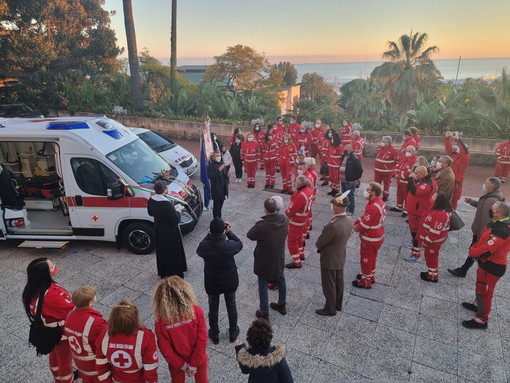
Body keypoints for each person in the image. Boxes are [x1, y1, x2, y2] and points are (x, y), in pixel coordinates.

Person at [22, 258, 75, 383]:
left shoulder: (31, 289)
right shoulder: (51, 296)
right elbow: (71, 311)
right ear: (45, 274)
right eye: (52, 267)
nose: (54, 267)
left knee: (55, 355)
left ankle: (57, 376)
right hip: (61, 334)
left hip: (49, 333)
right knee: (65, 360)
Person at [461, 201, 510, 329]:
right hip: (485, 264)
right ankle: (478, 304)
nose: (490, 211)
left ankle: (481, 319)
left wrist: (472, 251)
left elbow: (488, 249)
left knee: (486, 293)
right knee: (480, 287)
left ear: (499, 214)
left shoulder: (502, 231)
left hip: (493, 267)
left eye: (492, 209)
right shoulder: (498, 223)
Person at [196, 217, 243, 344]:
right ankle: (233, 332)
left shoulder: (205, 246)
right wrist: (229, 232)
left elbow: (198, 249)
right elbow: (240, 244)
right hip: (229, 280)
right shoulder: (230, 245)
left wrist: (208, 235)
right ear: (223, 230)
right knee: (231, 305)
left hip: (212, 282)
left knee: (213, 307)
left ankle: (215, 334)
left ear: (211, 230)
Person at [153, 276, 209, 381]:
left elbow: (165, 348)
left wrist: (182, 365)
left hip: (176, 363)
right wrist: (194, 364)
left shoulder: (160, 321)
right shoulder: (196, 311)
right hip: (199, 358)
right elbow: (202, 340)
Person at [448, 177, 505, 277]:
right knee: (474, 251)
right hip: (480, 231)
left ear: (490, 186)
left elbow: (486, 219)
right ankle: (463, 269)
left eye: (485, 183)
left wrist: (481, 234)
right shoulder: (490, 196)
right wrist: (471, 201)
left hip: (480, 232)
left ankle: (463, 270)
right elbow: (481, 206)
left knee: (474, 251)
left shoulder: (491, 199)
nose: (484, 184)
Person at [247, 197, 289, 321]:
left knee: (263, 283)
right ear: (276, 208)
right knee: (281, 278)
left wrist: (259, 223)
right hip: (278, 256)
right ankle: (282, 304)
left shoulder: (262, 226)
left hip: (264, 259)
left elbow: (250, 235)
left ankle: (264, 312)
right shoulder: (285, 219)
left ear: (265, 209)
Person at [95, 301, 158, 383]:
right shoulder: (145, 336)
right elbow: (150, 367)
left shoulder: (104, 335)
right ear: (135, 318)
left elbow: (101, 364)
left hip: (116, 379)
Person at [315, 192, 353, 315]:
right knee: (339, 282)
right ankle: (338, 304)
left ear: (336, 207)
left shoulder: (334, 225)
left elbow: (321, 241)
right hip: (340, 256)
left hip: (329, 258)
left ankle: (330, 309)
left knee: (329, 284)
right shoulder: (349, 219)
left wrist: (318, 245)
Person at [64, 286, 107, 383]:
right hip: (94, 365)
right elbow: (105, 342)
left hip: (80, 363)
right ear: (91, 302)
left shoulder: (70, 315)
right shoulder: (96, 322)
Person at [147, 180, 187, 278]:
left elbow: (150, 213)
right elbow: (175, 219)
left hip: (159, 228)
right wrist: (178, 210)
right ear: (164, 190)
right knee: (173, 252)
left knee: (162, 251)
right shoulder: (166, 204)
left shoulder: (151, 200)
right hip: (170, 231)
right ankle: (175, 271)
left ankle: (163, 271)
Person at [352, 183, 387, 289]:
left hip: (370, 237)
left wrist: (356, 227)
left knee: (366, 258)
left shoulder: (372, 207)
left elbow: (365, 225)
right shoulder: (378, 202)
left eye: (368, 190)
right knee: (372, 257)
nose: (366, 191)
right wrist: (358, 220)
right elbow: (365, 216)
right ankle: (370, 276)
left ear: (374, 192)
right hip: (378, 235)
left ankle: (365, 281)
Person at [404, 166, 438, 262]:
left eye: (416, 172)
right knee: (415, 234)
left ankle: (416, 254)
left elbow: (415, 191)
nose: (414, 174)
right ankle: (415, 245)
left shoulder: (428, 184)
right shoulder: (424, 180)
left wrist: (411, 178)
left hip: (418, 214)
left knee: (417, 234)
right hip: (415, 212)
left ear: (422, 173)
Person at [417, 192, 452, 282]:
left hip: (433, 242)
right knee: (431, 256)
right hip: (435, 241)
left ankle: (432, 276)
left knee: (431, 257)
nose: (432, 197)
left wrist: (426, 241)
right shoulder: (441, 210)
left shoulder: (440, 215)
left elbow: (434, 232)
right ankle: (431, 272)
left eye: (434, 197)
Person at [285, 175, 313, 269]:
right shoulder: (308, 191)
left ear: (299, 184)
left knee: (292, 241)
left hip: (296, 221)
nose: (294, 183)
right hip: (303, 219)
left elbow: (291, 209)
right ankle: (301, 254)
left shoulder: (300, 195)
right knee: (300, 238)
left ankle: (297, 262)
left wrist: (286, 214)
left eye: (296, 182)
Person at [444, 131, 471, 209]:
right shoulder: (453, 155)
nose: (455, 147)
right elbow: (448, 148)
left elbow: (464, 151)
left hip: (456, 182)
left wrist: (458, 140)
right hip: (448, 180)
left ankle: (453, 213)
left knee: (454, 199)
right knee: (445, 197)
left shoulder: (465, 158)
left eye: (457, 146)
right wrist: (447, 138)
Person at [390, 145, 417, 214]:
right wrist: (395, 173)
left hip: (407, 181)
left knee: (407, 196)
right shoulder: (403, 157)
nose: (407, 152)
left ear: (414, 152)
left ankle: (407, 209)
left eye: (409, 151)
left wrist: (400, 176)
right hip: (400, 180)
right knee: (399, 194)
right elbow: (397, 165)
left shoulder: (415, 160)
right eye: (407, 151)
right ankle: (399, 206)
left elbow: (410, 170)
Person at [338, 144, 363, 215]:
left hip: (350, 181)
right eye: (345, 149)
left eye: (348, 149)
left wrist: (355, 178)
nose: (346, 150)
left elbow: (359, 170)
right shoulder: (343, 156)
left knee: (350, 196)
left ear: (351, 150)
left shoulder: (354, 159)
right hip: (342, 180)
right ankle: (344, 208)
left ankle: (351, 210)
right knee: (344, 195)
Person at [374, 136, 399, 202]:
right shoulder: (380, 147)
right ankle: (375, 194)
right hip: (378, 170)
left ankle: (385, 196)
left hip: (387, 172)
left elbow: (397, 161)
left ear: (388, 142)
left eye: (384, 141)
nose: (382, 142)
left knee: (386, 184)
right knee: (376, 183)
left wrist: (394, 171)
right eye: (382, 141)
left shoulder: (394, 150)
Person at [207, 150, 229, 218]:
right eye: (217, 156)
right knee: (216, 206)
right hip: (216, 189)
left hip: (223, 188)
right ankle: (216, 220)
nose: (219, 157)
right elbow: (210, 176)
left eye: (219, 156)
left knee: (220, 206)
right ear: (213, 157)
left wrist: (227, 175)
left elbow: (224, 173)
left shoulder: (222, 163)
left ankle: (219, 219)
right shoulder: (211, 166)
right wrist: (218, 170)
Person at [326, 131, 344, 196]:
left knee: (336, 178)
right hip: (330, 164)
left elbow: (342, 155)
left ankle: (337, 190)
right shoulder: (331, 146)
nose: (332, 140)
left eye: (333, 138)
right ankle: (333, 189)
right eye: (331, 138)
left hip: (336, 165)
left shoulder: (340, 146)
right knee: (331, 177)